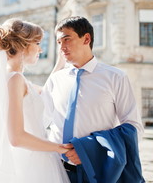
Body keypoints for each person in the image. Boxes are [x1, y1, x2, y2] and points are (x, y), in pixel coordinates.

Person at [0, 18, 70, 183]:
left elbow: (46, 91)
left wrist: (60, 62)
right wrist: (59, 148)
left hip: (34, 158)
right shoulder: (15, 80)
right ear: (24, 45)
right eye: (37, 43)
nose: (41, 49)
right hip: (30, 165)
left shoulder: (14, 79)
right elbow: (17, 137)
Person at [42, 16, 145, 182]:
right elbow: (40, 121)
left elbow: (134, 127)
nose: (61, 47)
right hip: (55, 170)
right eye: (59, 42)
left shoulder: (115, 77)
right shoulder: (55, 80)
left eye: (66, 39)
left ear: (86, 38)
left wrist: (87, 150)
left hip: (95, 170)